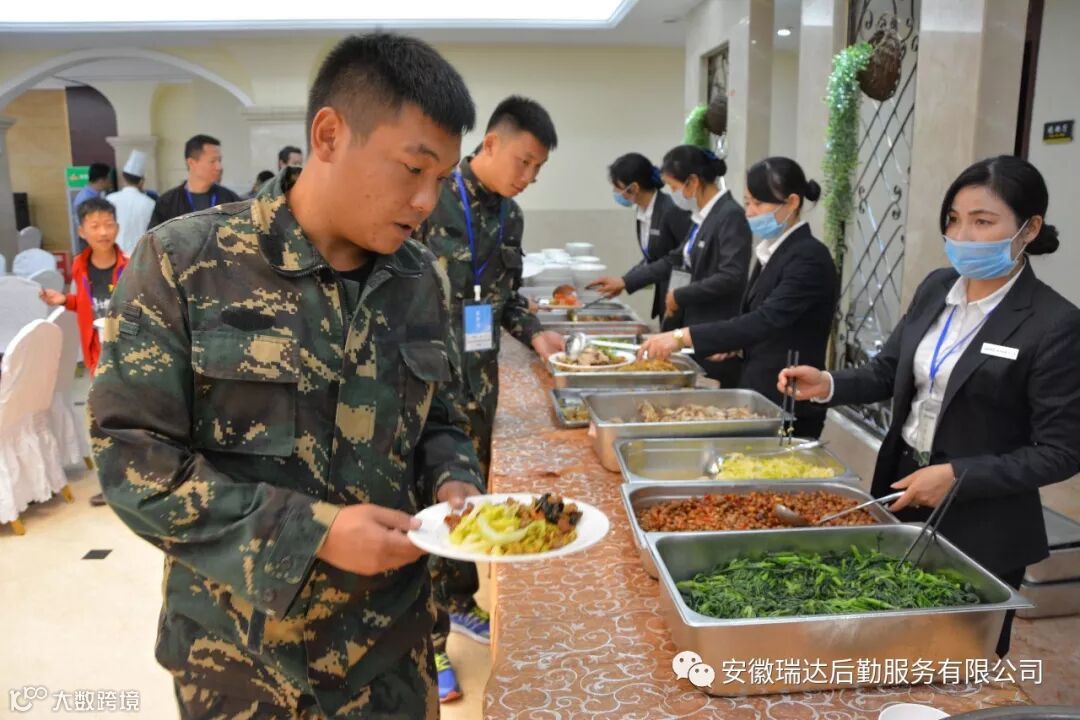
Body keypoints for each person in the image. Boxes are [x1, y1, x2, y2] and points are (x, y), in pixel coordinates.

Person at [89, 33, 486, 718]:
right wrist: (315, 532)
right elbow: (132, 461)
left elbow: (438, 418)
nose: (427, 201)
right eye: (412, 169)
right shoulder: (186, 263)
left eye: (442, 179)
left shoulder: (420, 279)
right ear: (329, 135)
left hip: (388, 656)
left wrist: (455, 480)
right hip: (241, 664)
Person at [778, 156, 1080, 657]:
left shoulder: (1053, 323)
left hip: (983, 521)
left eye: (982, 221)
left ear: (1029, 229)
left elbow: (1061, 451)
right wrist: (828, 382)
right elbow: (888, 370)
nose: (962, 236)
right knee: (881, 644)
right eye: (954, 220)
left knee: (956, 662)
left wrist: (957, 476)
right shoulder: (938, 287)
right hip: (900, 489)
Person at [415, 95, 564, 702]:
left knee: (467, 499)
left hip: (478, 388)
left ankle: (457, 599)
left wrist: (536, 332)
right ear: (492, 143)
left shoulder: (511, 216)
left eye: (538, 169)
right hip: (425, 386)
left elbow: (504, 299)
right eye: (524, 162)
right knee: (427, 510)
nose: (528, 177)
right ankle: (428, 647)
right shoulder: (430, 196)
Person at [639, 157, 837, 438]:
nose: (750, 212)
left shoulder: (809, 257)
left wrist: (682, 337)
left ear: (792, 202)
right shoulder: (773, 250)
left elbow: (766, 319)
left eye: (759, 203)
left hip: (790, 398)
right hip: (761, 390)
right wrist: (737, 344)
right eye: (747, 202)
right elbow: (761, 316)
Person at [594, 145, 750, 386]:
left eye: (674, 187)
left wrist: (680, 295)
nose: (674, 195)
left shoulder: (729, 215)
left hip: (716, 328)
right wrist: (626, 281)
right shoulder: (703, 216)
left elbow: (732, 275)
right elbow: (674, 259)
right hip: (694, 324)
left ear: (693, 181)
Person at [41, 197, 128, 507]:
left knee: (132, 422)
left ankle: (137, 484)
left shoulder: (130, 265)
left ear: (117, 227)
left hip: (128, 356)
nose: (103, 232)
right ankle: (112, 486)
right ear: (82, 231)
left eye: (108, 224)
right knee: (102, 422)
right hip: (96, 357)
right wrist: (65, 300)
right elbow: (88, 306)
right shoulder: (79, 265)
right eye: (95, 226)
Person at [588, 153, 691, 321]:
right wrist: (623, 281)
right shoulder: (643, 212)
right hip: (665, 296)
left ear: (634, 187)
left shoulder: (671, 210)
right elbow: (651, 259)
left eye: (618, 188)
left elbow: (678, 259)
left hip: (682, 298)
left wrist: (626, 281)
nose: (616, 193)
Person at [148, 134, 241, 227]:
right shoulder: (167, 203)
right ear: (191, 163)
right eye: (212, 161)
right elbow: (154, 235)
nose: (219, 167)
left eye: (219, 161)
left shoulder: (230, 200)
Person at [106, 150, 155, 255]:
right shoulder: (150, 203)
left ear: (123, 178)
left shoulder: (109, 199)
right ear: (141, 181)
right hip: (140, 256)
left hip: (115, 255)